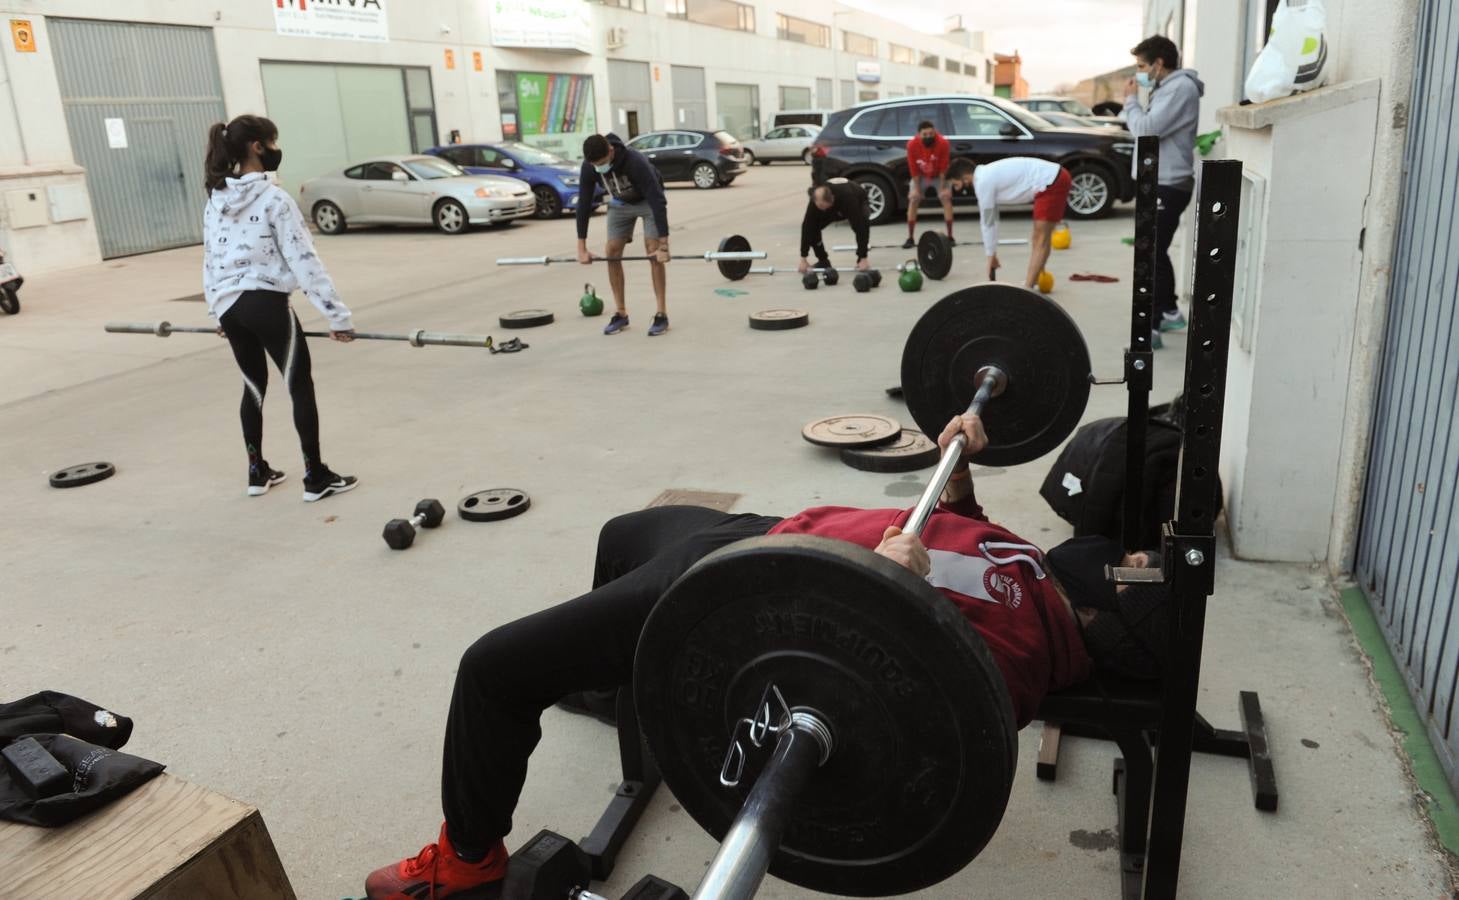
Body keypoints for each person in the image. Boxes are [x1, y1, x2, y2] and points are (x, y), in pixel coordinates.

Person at [361, 413, 1170, 900]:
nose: (1136, 559)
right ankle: (628, 689)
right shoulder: (1035, 574)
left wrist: (892, 605)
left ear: (1109, 617)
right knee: (622, 531)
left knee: (492, 670)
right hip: (761, 532)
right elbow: (964, 543)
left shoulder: (1027, 655)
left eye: (1140, 576)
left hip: (742, 598)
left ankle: (465, 859)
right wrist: (956, 479)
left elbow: (936, 728)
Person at [202, 114, 358, 502]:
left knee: (253, 385)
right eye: (273, 142)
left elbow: (210, 259)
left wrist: (216, 311)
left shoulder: (216, 198)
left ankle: (257, 473)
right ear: (258, 146)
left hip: (229, 305)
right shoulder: (275, 199)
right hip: (264, 302)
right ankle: (315, 477)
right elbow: (305, 261)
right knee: (298, 386)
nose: (276, 150)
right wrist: (337, 317)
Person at [1124, 35, 1204, 342]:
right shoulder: (1166, 88)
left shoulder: (1180, 88)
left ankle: (1152, 326)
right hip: (1159, 181)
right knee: (1155, 249)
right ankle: (1170, 311)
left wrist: (1130, 102)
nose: (1139, 73)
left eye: (1142, 65)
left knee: (1151, 252)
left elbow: (1146, 130)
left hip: (1168, 183)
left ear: (1159, 63)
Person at [575, 133, 671, 337]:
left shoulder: (635, 161)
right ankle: (621, 313)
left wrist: (664, 244)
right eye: (595, 165)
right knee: (611, 252)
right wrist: (581, 248)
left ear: (610, 151)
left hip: (647, 201)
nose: (599, 168)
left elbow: (657, 200)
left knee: (653, 251)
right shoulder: (589, 166)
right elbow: (583, 204)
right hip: (620, 204)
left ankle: (661, 314)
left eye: (602, 163)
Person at [947, 157, 1072, 290]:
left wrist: (990, 256)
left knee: (1040, 238)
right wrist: (992, 254)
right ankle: (1033, 281)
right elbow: (992, 218)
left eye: (956, 184)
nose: (957, 189)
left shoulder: (982, 182)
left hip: (1051, 181)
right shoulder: (986, 175)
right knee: (1041, 238)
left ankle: (1028, 290)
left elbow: (988, 222)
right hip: (1055, 178)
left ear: (965, 178)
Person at [798, 179, 872, 275]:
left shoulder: (848, 199)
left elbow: (860, 228)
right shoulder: (816, 201)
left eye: (822, 206)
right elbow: (806, 227)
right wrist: (803, 258)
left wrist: (863, 257)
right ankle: (823, 260)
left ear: (831, 199)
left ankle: (860, 260)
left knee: (862, 221)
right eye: (818, 206)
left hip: (858, 198)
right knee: (812, 228)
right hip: (834, 202)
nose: (820, 209)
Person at [904, 120, 956, 249]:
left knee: (946, 198)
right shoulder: (912, 145)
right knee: (913, 199)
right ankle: (910, 237)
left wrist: (943, 188)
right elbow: (913, 168)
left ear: (935, 132)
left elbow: (944, 167)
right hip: (920, 175)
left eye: (931, 133)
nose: (928, 137)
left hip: (939, 175)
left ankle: (950, 236)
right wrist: (916, 190)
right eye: (925, 134)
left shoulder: (943, 143)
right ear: (919, 134)